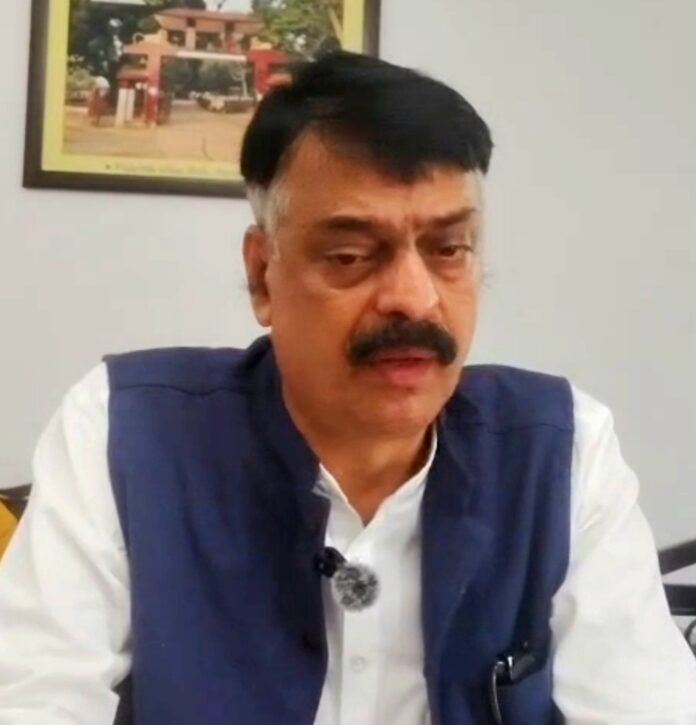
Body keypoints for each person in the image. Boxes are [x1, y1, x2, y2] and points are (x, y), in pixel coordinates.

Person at [0, 51, 695, 725]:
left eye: (448, 250)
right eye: (351, 256)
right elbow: (33, 697)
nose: (415, 299)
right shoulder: (128, 435)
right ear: (262, 274)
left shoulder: (562, 454)